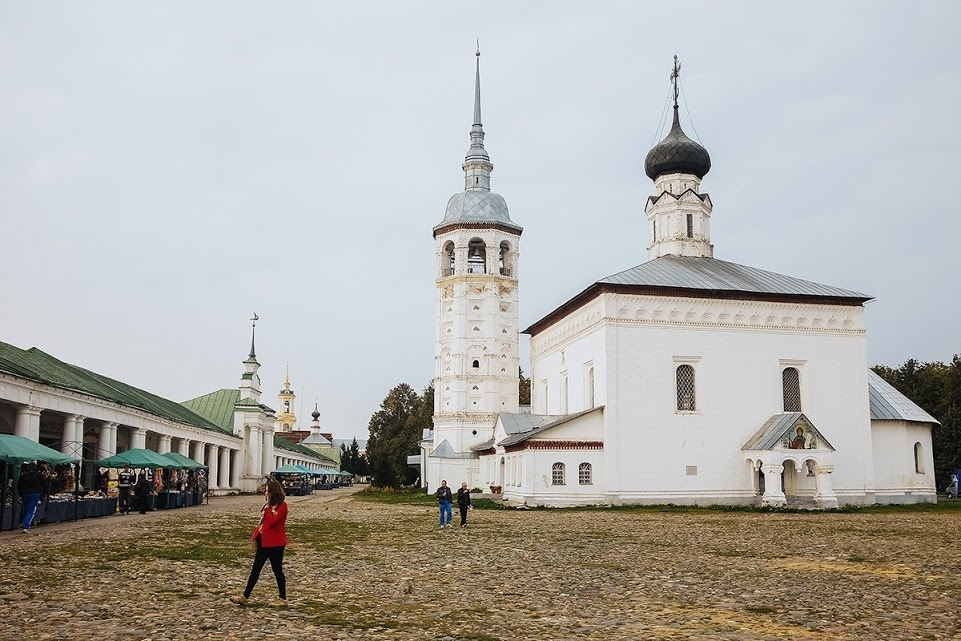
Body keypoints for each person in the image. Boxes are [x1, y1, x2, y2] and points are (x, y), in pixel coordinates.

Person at [231, 480, 288, 607]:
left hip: (276, 543)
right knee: (255, 569)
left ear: (273, 492)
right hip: (264, 542)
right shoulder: (268, 506)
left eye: (267, 491)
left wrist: (268, 509)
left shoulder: (282, 506)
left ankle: (283, 598)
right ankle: (245, 596)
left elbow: (273, 521)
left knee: (277, 571)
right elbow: (262, 523)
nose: (265, 494)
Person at [17, 463, 45, 534]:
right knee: (31, 510)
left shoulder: (23, 475)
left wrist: (20, 494)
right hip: (35, 493)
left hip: (25, 493)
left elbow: (19, 485)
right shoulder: (39, 475)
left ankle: (24, 523)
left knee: (26, 509)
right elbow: (43, 485)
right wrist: (44, 493)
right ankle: (26, 526)